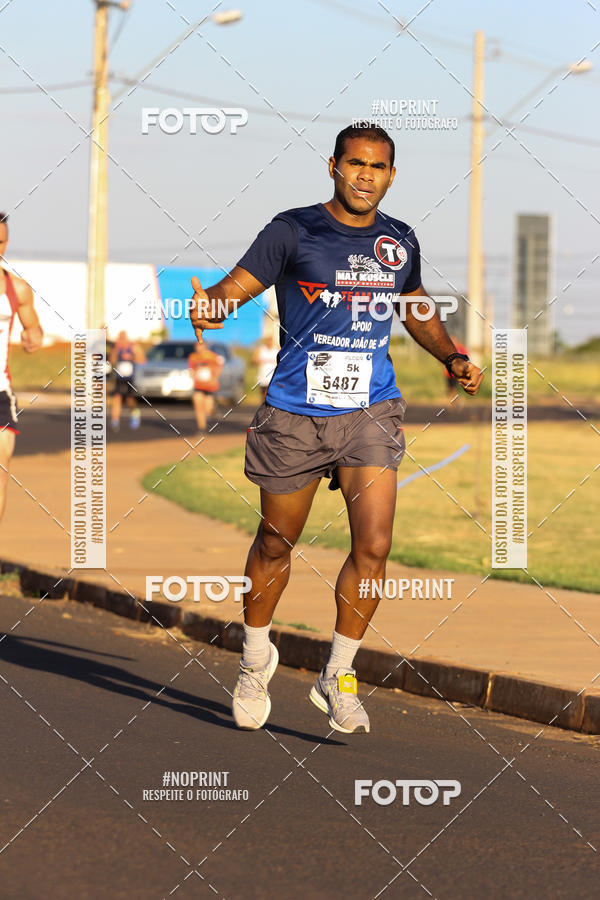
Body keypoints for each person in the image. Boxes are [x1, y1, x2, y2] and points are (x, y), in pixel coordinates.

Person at [189, 124, 484, 734]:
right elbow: (237, 286)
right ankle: (252, 660)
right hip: (296, 413)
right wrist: (210, 304)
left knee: (373, 547)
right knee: (276, 543)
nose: (365, 176)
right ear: (334, 166)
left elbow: (415, 306)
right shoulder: (293, 229)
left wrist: (452, 355)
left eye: (378, 167)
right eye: (355, 164)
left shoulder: (398, 241)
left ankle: (338, 673)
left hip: (371, 412)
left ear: (392, 175)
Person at [0, 212, 43, 521]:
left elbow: (34, 329)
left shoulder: (18, 290)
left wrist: (33, 338)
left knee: (1, 468)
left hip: (0, 391)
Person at [109, 330, 145, 431]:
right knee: (117, 397)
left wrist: (131, 357)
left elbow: (142, 360)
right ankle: (114, 420)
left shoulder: (133, 346)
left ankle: (135, 413)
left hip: (130, 378)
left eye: (123, 338)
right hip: (119, 377)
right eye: (120, 338)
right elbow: (112, 360)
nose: (121, 340)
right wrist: (115, 350)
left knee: (129, 399)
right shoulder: (117, 347)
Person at [187, 340, 224, 433]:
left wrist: (214, 376)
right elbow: (191, 369)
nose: (198, 348)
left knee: (207, 409)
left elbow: (219, 367)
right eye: (196, 346)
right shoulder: (193, 357)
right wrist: (193, 374)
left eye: (200, 345)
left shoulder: (212, 356)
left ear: (205, 346)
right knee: (198, 406)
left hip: (209, 386)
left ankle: (213, 409)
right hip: (198, 385)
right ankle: (201, 428)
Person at [252, 332, 279, 401]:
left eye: (270, 340)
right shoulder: (260, 349)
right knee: (263, 393)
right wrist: (257, 361)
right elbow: (252, 361)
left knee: (270, 392)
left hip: (273, 375)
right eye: (268, 340)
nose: (269, 342)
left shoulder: (277, 349)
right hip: (263, 375)